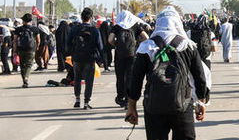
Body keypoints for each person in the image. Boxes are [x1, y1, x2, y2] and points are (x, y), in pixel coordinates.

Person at [124, 7, 210, 140]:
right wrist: (202, 103)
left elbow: (135, 80)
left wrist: (132, 107)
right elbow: (200, 77)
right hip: (182, 105)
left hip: (154, 107)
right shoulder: (188, 46)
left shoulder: (146, 47)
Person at [111, 10, 150, 108]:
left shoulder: (117, 26)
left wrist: (116, 45)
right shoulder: (135, 25)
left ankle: (120, 97)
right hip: (132, 54)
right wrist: (137, 44)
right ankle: (128, 99)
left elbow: (110, 39)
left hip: (119, 55)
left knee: (120, 76)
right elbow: (146, 37)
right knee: (130, 76)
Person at [67, 7, 104, 108]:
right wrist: (101, 60)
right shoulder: (94, 30)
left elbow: (68, 43)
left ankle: (77, 100)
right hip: (90, 58)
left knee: (77, 79)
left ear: (81, 17)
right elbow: (100, 46)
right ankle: (86, 102)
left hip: (77, 58)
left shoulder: (74, 29)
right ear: (91, 18)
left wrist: (72, 54)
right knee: (89, 81)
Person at [13, 13, 40, 88]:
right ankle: (26, 78)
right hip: (31, 49)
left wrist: (14, 51)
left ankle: (24, 80)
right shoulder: (35, 29)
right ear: (31, 20)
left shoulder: (18, 29)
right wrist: (36, 48)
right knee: (29, 64)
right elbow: (38, 40)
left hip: (21, 49)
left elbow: (15, 41)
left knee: (22, 65)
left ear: (23, 20)